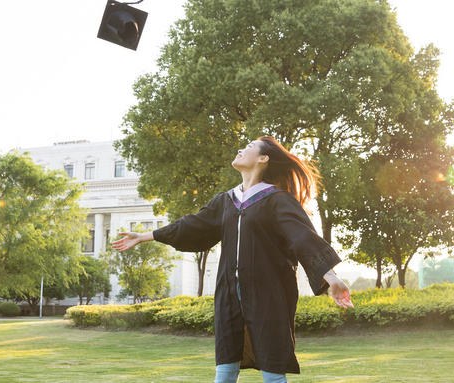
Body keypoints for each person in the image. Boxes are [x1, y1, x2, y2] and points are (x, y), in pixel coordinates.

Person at [111, 136, 353, 383]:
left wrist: (330, 276)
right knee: (225, 370)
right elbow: (193, 226)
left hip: (268, 293)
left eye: (248, 147)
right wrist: (144, 236)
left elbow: (303, 238)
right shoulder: (226, 201)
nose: (240, 149)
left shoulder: (277, 200)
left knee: (273, 372)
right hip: (228, 293)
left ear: (263, 158)